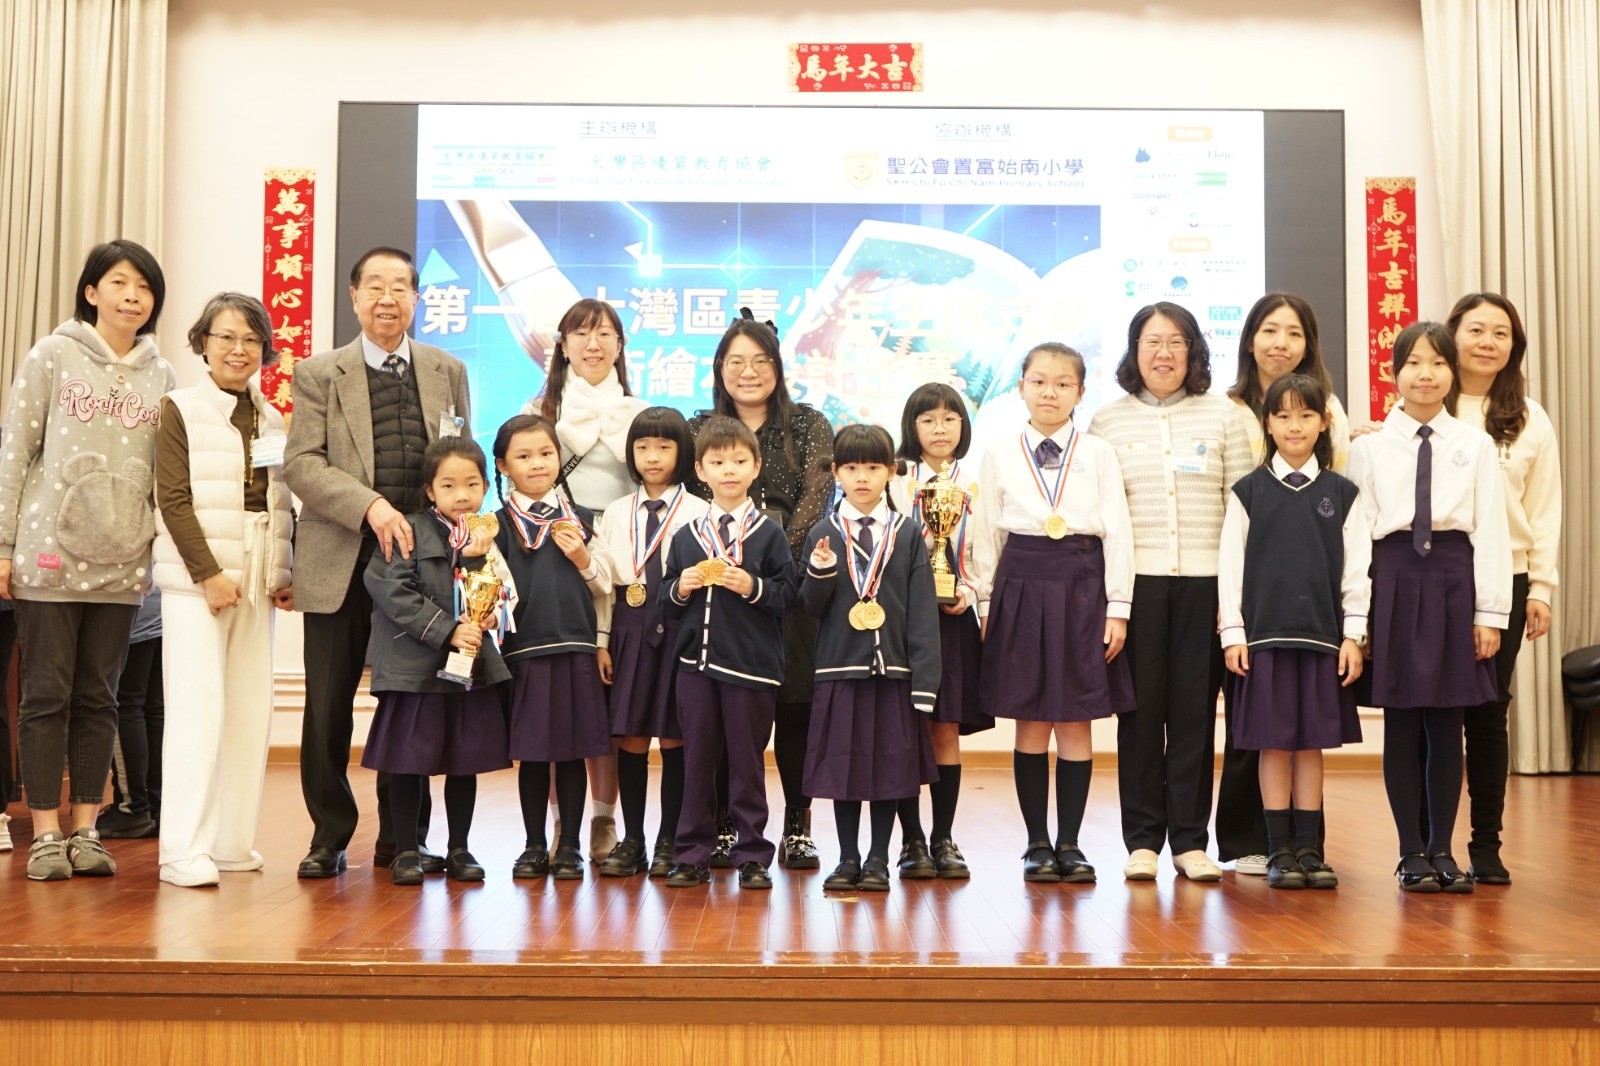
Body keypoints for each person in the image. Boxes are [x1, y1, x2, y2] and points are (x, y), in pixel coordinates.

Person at [282, 246, 471, 879]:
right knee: (328, 705)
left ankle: (403, 837)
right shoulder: (318, 373)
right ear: (355, 297)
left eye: (400, 287)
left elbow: (458, 459)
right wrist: (370, 507)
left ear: (417, 298)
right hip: (342, 554)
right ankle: (329, 835)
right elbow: (301, 463)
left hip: (420, 564)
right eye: (375, 287)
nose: (387, 298)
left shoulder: (447, 369)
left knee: (409, 698)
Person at [0, 239, 175, 882]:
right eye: (120, 283)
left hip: (122, 565)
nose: (133, 296)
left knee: (100, 698)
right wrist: (3, 546)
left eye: (145, 287)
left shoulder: (162, 375)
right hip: (47, 557)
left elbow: (165, 475)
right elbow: (15, 451)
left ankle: (87, 828)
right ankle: (46, 830)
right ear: (92, 291)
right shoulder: (53, 354)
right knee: (45, 695)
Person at [1087, 302, 1252, 883]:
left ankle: (1189, 841)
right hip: (1137, 589)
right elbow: (1099, 516)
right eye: (1152, 342)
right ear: (1134, 351)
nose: (1164, 353)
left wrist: (1233, 601)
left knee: (1193, 716)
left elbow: (1243, 512)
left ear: (1194, 351)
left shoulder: (1224, 416)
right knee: (1139, 715)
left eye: (1177, 342)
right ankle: (1141, 841)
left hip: (1206, 587)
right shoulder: (1107, 421)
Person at [1347, 322, 1510, 894]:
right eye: (1413, 363)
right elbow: (1355, 536)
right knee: (1400, 723)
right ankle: (1410, 851)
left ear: (1451, 372)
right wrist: (1357, 619)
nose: (1426, 374)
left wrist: (1489, 614)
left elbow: (1491, 530)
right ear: (1394, 372)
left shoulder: (1475, 444)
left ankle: (1443, 848)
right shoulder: (1367, 447)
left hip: (1453, 583)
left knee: (1447, 724)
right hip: (1392, 580)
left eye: (1438, 363)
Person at [972, 343, 1135, 884]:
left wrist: (1118, 606)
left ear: (1080, 393)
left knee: (1075, 717)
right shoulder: (999, 452)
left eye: (1063, 384)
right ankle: (1037, 843)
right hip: (1019, 583)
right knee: (1031, 717)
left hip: (1084, 584)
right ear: (1020, 387)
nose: (1050, 392)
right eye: (1039, 381)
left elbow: (1118, 532)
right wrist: (987, 603)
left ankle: (1071, 842)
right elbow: (987, 535)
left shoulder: (1099, 452)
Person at [152, 293, 295, 887]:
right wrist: (207, 574)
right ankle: (181, 851)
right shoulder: (179, 408)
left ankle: (230, 843)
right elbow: (172, 500)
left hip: (257, 574)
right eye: (226, 337)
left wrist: (283, 572)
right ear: (203, 343)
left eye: (251, 339)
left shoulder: (272, 418)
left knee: (247, 710)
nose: (239, 349)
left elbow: (279, 500)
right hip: (198, 580)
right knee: (196, 711)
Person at [688, 312, 833, 869]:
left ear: (778, 367)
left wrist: (770, 558)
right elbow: (693, 501)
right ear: (719, 368)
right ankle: (726, 825)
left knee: (796, 711)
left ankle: (797, 826)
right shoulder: (699, 425)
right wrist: (731, 564)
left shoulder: (809, 424)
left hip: (791, 586)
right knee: (727, 716)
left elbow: (818, 496)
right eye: (736, 362)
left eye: (761, 361)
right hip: (720, 592)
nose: (748, 372)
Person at [1216, 293, 1352, 874]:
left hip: (1319, 626)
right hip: (1258, 623)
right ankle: (1268, 846)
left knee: (1308, 742)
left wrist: (1354, 630)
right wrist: (1232, 628)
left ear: (1323, 421)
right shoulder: (1242, 471)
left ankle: (1307, 847)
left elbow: (1352, 556)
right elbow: (1231, 558)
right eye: (1269, 330)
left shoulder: (1339, 480)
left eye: (1293, 332)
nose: (1294, 426)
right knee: (1263, 738)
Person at [1428, 293, 1561, 885]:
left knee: (1487, 714)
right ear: (1452, 336)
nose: (1487, 342)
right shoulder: (1426, 403)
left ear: (1514, 346)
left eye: (1501, 333)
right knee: (1434, 714)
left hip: (1505, 580)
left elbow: (1545, 508)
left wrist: (1542, 586)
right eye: (1476, 329)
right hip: (1436, 578)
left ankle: (1486, 844)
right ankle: (1429, 846)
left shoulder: (1529, 417)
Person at [523, 298, 647, 860]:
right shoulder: (541, 408)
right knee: (560, 693)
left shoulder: (641, 414)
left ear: (620, 346)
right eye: (580, 334)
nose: (592, 344)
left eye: (604, 334)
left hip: (623, 558)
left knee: (611, 695)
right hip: (555, 554)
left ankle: (603, 818)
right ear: (563, 345)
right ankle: (560, 822)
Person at [363, 436, 511, 886]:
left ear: (486, 486)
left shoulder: (488, 536)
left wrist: (490, 617)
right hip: (414, 667)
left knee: (464, 761)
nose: (462, 495)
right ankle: (407, 849)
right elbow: (390, 589)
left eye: (472, 484)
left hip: (468, 666)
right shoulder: (407, 529)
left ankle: (459, 848)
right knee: (408, 762)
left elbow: (501, 592)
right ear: (430, 490)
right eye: (449, 485)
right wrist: (447, 629)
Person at [801, 424, 940, 893]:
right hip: (839, 672)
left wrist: (925, 682)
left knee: (889, 769)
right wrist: (819, 573)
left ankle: (879, 858)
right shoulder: (823, 533)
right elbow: (809, 608)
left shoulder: (908, 532)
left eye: (873, 467)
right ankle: (847, 858)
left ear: (891, 472)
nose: (862, 477)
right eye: (852, 467)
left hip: (894, 674)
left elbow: (922, 612)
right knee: (843, 767)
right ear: (836, 472)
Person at [661, 416, 797, 889]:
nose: (729, 470)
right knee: (697, 762)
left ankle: (753, 855)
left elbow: (788, 597)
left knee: (747, 763)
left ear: (756, 467)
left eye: (739, 461)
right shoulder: (686, 536)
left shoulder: (770, 533)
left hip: (752, 670)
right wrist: (680, 586)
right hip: (695, 669)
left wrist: (753, 586)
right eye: (717, 463)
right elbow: (666, 602)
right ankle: (691, 855)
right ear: (701, 470)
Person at [492, 414, 613, 881]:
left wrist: (582, 557)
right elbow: (491, 593)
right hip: (524, 653)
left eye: (546, 453)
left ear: (559, 458)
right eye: (523, 456)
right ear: (503, 466)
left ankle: (570, 846)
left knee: (573, 751)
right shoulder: (496, 527)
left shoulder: (583, 520)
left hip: (576, 649)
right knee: (533, 754)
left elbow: (604, 586)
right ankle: (533, 845)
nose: (537, 463)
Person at [592, 408, 708, 878]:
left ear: (683, 452)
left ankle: (670, 840)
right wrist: (602, 640)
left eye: (664, 447)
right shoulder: (616, 512)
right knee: (633, 734)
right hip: (628, 627)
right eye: (642, 447)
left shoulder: (700, 511)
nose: (652, 456)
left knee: (676, 734)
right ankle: (634, 840)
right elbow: (604, 586)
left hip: (679, 629)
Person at [887, 384, 994, 879]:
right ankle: (911, 840)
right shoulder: (893, 481)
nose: (940, 429)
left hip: (950, 624)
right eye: (928, 419)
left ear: (963, 427)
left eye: (950, 419)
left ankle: (943, 837)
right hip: (898, 624)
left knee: (945, 728)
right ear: (912, 427)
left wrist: (966, 594)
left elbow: (982, 556)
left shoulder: (975, 487)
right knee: (906, 730)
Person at [100, 589, 164, 840]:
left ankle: (132, 808)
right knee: (154, 709)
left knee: (125, 705)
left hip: (133, 608)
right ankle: (155, 807)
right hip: (161, 608)